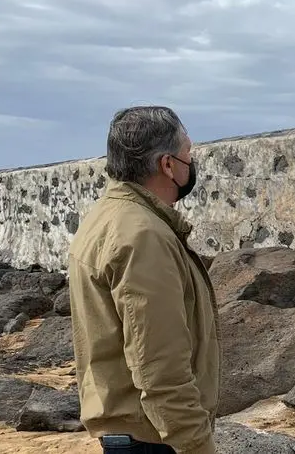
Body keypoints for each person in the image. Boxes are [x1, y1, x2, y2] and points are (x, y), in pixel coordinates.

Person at [68, 106, 220, 454]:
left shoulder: (104, 219)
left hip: (132, 435)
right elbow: (159, 368)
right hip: (156, 440)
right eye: (188, 154)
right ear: (168, 165)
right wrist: (198, 445)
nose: (191, 163)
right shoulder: (143, 236)